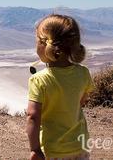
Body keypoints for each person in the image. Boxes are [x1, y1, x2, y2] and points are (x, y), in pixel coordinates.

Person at [26, 14, 94, 160]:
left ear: (45, 45)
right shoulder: (83, 73)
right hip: (80, 146)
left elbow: (32, 116)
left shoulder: (39, 80)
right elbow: (81, 102)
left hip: (53, 150)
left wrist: (35, 149)